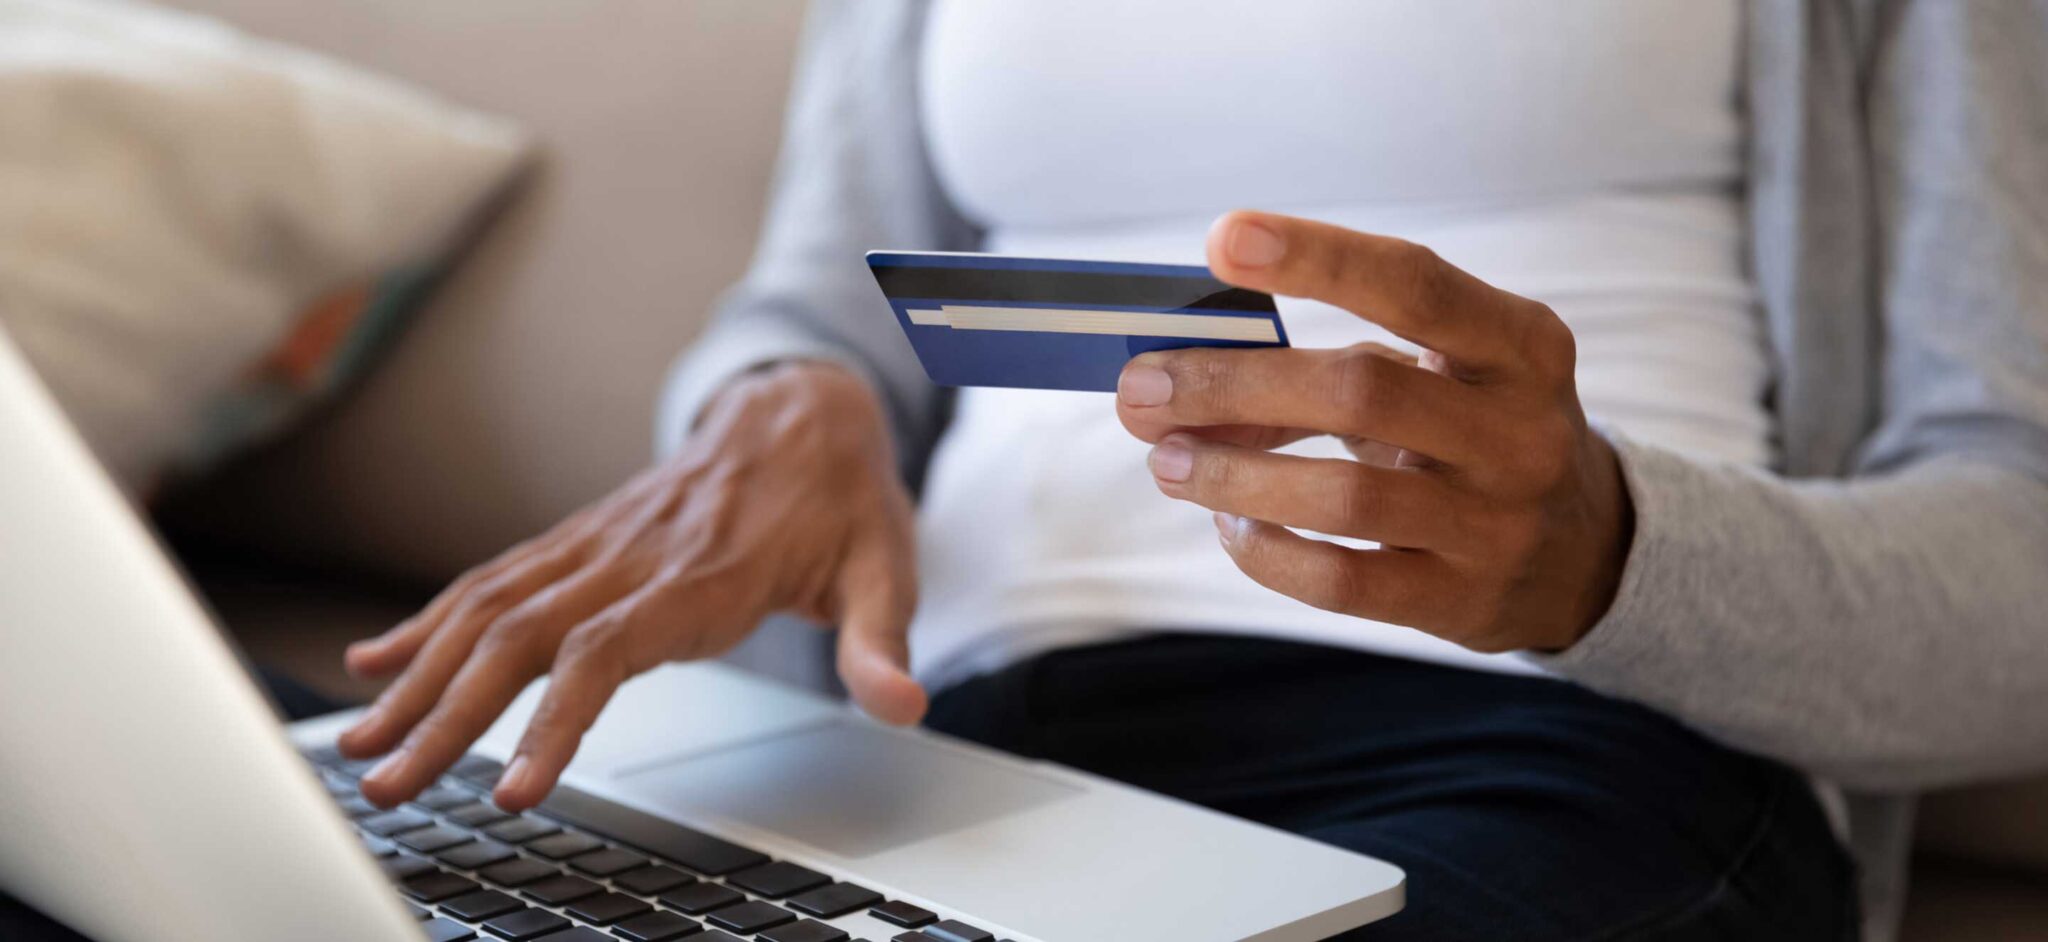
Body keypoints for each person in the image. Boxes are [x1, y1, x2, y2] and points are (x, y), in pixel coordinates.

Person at [337, 3, 2048, 940]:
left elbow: (2017, 570)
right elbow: (823, 302)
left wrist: (1612, 550)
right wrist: (776, 403)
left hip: (1551, 754)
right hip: (951, 759)